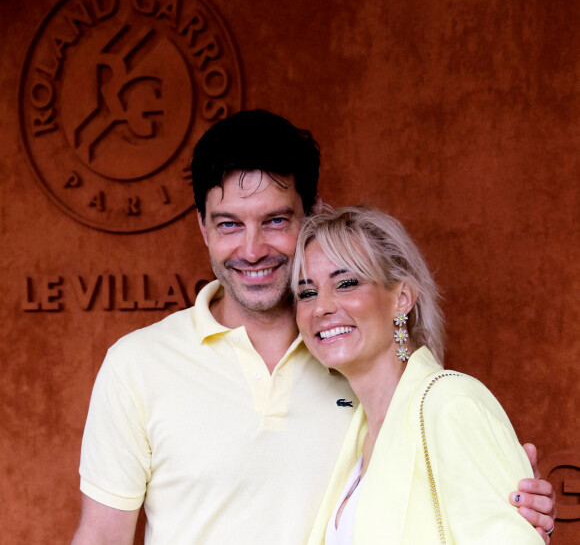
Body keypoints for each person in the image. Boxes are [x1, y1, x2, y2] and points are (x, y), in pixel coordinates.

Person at [71, 111, 555, 545]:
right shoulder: (137, 364)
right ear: (203, 228)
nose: (254, 249)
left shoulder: (362, 362)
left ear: (311, 215)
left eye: (276, 220)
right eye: (229, 225)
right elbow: (100, 537)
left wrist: (509, 499)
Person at [292, 205, 553, 544]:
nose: (322, 307)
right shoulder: (355, 434)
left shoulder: (451, 403)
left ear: (401, 298)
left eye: (346, 283)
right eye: (307, 292)